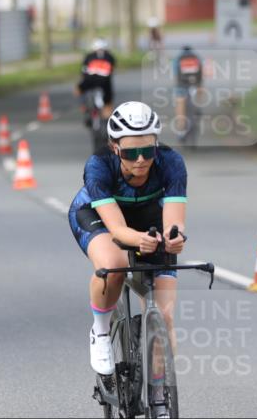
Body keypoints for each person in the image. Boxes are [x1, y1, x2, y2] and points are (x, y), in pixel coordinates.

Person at [67, 101, 186, 384]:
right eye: (131, 153)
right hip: (98, 216)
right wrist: (140, 240)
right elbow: (118, 230)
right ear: (115, 147)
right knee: (114, 265)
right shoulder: (98, 165)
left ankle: (160, 391)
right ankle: (100, 331)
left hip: (147, 218)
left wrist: (174, 238)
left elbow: (174, 221)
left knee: (165, 316)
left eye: (148, 151)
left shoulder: (171, 162)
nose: (141, 160)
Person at [75, 38, 116, 121]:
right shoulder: (109, 56)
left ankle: (83, 105)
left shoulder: (89, 56)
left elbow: (84, 70)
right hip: (104, 82)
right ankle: (107, 115)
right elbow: (111, 70)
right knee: (108, 99)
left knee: (78, 89)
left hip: (90, 80)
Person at [172, 45, 203, 135]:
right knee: (198, 92)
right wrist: (200, 85)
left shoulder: (178, 58)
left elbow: (176, 74)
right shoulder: (196, 57)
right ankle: (197, 107)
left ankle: (180, 127)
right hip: (195, 83)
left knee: (180, 102)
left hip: (181, 84)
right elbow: (200, 73)